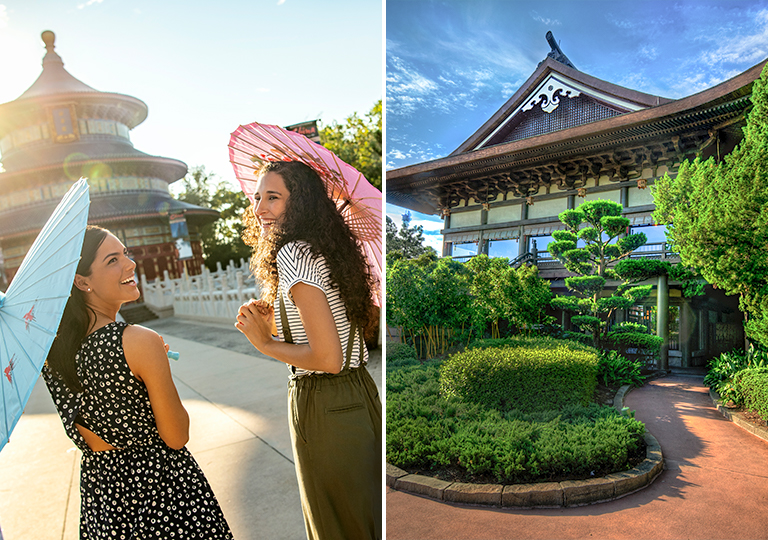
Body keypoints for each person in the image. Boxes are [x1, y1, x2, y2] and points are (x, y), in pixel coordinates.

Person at [43, 225, 233, 539]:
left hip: (104, 500)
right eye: (112, 260)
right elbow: (176, 435)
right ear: (82, 281)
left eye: (126, 254)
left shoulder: (53, 357)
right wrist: (157, 365)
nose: (130, 264)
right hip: (164, 495)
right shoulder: (139, 341)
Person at [236, 160, 381, 540]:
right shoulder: (329, 250)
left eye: (273, 197)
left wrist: (265, 342)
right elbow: (335, 334)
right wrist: (277, 322)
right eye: (257, 198)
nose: (260, 208)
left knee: (337, 525)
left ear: (300, 202)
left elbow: (327, 359)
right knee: (364, 517)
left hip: (325, 401)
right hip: (359, 393)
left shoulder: (294, 253)